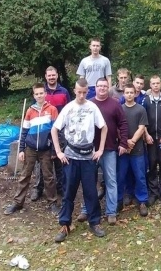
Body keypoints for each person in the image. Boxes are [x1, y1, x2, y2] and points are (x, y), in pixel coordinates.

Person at [51, 79, 107, 242]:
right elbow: (55, 129)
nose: (82, 95)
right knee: (68, 192)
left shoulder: (92, 107)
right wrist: (59, 151)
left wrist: (101, 149)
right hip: (71, 158)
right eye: (79, 92)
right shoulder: (68, 108)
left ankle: (95, 222)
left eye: (84, 92)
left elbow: (104, 127)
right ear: (75, 91)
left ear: (87, 92)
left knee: (91, 192)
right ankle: (65, 224)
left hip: (88, 157)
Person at [77, 78, 128, 225]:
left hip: (109, 149)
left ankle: (111, 212)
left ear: (108, 88)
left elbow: (123, 124)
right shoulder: (89, 104)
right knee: (88, 181)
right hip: (90, 150)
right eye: (99, 86)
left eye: (105, 86)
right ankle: (87, 210)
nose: (102, 88)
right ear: (95, 87)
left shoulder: (115, 104)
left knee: (111, 181)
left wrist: (123, 142)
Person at [4, 83, 60, 216]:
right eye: (37, 94)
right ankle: (18, 202)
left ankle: (52, 202)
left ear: (45, 94)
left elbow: (56, 131)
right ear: (34, 95)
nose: (39, 95)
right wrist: (21, 149)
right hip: (30, 149)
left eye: (41, 93)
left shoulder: (52, 110)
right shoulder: (30, 111)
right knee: (25, 175)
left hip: (45, 149)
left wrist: (53, 150)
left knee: (49, 176)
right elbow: (24, 132)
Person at [31, 66, 71, 203]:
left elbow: (69, 110)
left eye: (54, 75)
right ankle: (38, 188)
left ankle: (61, 187)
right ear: (46, 76)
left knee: (60, 160)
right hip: (43, 133)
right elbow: (34, 110)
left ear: (57, 76)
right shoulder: (41, 92)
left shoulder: (64, 92)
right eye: (49, 76)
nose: (51, 77)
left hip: (60, 131)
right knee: (41, 162)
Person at [117, 83, 150, 217]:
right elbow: (117, 128)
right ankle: (120, 199)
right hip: (123, 150)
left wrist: (132, 142)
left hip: (137, 150)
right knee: (122, 176)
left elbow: (141, 128)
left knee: (140, 176)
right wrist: (125, 143)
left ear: (135, 94)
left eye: (132, 92)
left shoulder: (141, 109)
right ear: (123, 94)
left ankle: (142, 201)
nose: (129, 95)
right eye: (127, 92)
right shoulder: (119, 109)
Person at [142, 75, 161, 205]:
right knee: (152, 164)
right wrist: (145, 135)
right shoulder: (145, 100)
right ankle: (153, 192)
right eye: (153, 83)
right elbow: (141, 120)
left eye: (158, 83)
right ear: (150, 85)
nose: (155, 85)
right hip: (150, 139)